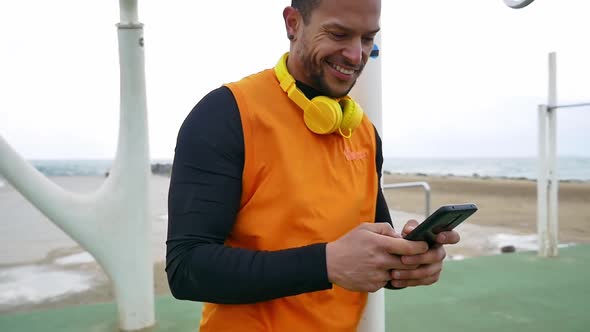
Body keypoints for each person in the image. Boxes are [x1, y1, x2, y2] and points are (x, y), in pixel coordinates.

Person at [166, 0, 460, 330]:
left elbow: (369, 258)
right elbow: (186, 268)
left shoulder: (363, 132)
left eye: (367, 39)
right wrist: (326, 263)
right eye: (338, 34)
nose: (355, 55)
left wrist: (410, 261)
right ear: (293, 23)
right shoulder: (226, 114)